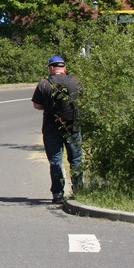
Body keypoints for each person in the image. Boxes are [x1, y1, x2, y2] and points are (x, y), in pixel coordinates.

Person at [32, 55, 83, 203]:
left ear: (52, 68)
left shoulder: (44, 83)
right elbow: (82, 100)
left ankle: (58, 194)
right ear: (64, 67)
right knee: (76, 159)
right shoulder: (76, 82)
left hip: (51, 127)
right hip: (72, 127)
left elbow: (37, 105)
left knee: (55, 161)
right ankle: (79, 190)